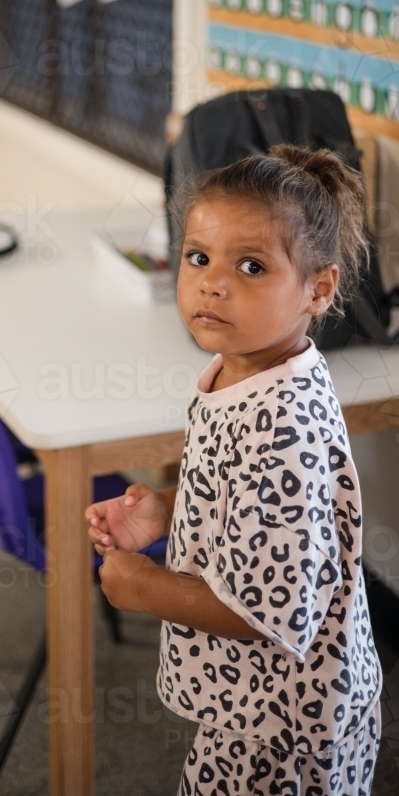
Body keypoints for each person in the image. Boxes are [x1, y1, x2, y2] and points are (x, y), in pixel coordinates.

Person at [85, 145, 383, 795]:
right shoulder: (243, 367)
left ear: (318, 288)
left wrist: (143, 589)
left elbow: (264, 613)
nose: (211, 283)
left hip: (284, 724)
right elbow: (237, 498)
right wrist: (166, 509)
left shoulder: (280, 425)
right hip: (249, 701)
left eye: (250, 266)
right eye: (198, 258)